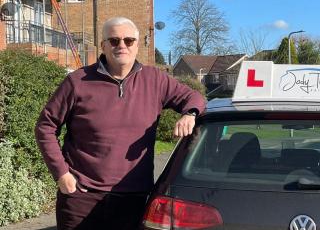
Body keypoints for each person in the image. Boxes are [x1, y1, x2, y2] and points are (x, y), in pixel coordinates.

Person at [35, 17, 206, 230]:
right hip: (80, 197)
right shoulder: (77, 82)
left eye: (129, 40)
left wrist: (190, 113)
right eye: (114, 41)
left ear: (137, 44)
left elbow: (195, 98)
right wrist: (61, 173)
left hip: (132, 198)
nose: (122, 46)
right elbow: (45, 126)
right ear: (103, 45)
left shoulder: (156, 80)